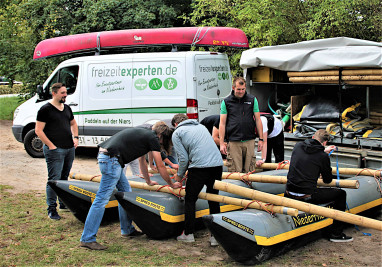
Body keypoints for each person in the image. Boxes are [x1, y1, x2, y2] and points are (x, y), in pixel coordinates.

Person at [80, 125, 182, 250]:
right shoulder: (152, 137)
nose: (161, 143)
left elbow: (142, 162)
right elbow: (160, 165)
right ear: (161, 136)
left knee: (126, 193)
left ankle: (127, 230)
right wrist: (171, 185)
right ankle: (87, 238)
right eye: (163, 140)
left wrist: (148, 181)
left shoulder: (145, 134)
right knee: (101, 200)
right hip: (112, 160)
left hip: (110, 158)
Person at [285, 129, 353, 242]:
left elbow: (309, 155)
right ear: (325, 142)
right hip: (307, 196)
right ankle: (336, 234)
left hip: (289, 192)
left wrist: (323, 152)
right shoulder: (322, 156)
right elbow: (327, 180)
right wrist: (324, 157)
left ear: (313, 137)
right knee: (341, 194)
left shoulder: (298, 146)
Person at [171, 114, 223, 246]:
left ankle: (188, 233)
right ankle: (215, 236)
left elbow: (183, 158)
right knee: (213, 199)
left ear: (175, 124)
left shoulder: (177, 133)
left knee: (190, 199)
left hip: (200, 167)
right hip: (217, 164)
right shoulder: (201, 126)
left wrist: (179, 176)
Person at [35, 82, 78, 220]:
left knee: (64, 178)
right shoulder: (45, 109)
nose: (65, 95)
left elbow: (73, 123)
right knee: (54, 179)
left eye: (66, 92)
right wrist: (51, 145)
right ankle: (51, 209)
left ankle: (63, 203)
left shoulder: (66, 108)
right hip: (55, 150)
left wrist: (76, 138)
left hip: (69, 149)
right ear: (54, 93)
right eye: (63, 93)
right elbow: (38, 130)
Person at [219, 77, 263, 173]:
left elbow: (258, 120)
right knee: (235, 171)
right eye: (238, 89)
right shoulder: (226, 102)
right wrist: (222, 143)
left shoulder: (252, 99)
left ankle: (249, 187)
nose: (241, 92)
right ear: (233, 87)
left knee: (249, 171)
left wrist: (261, 139)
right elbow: (222, 123)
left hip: (249, 140)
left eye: (243, 89)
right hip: (234, 141)